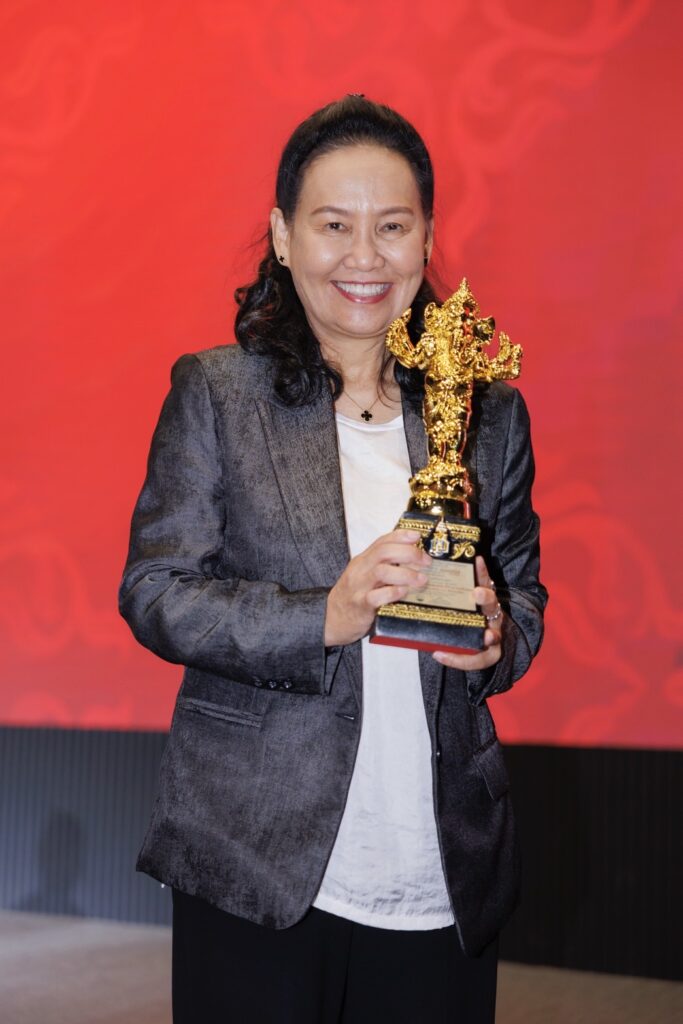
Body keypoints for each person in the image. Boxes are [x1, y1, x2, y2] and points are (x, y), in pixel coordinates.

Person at [119, 95, 547, 1023]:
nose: (364, 256)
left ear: (425, 237)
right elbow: (156, 590)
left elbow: (522, 592)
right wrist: (326, 614)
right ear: (283, 236)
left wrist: (495, 639)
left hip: (436, 862)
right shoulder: (219, 393)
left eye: (391, 226)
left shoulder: (486, 412)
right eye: (333, 225)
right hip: (256, 857)